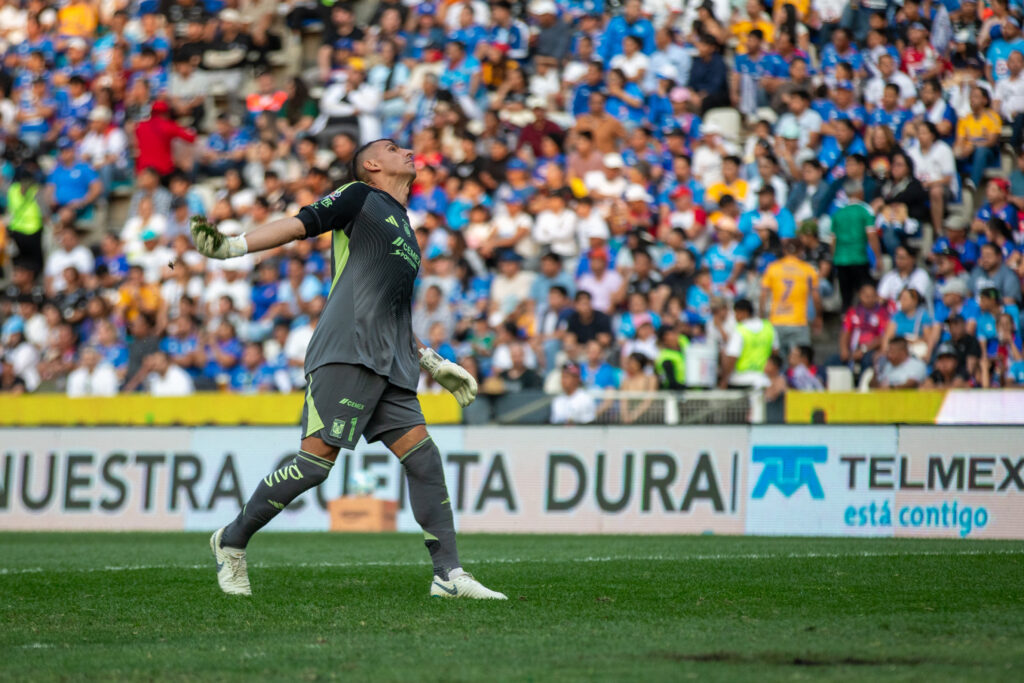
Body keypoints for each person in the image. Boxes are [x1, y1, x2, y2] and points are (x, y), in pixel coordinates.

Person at [192, 138, 504, 600]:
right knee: (314, 466)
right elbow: (300, 224)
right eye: (393, 148)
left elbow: (392, 310)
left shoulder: (404, 225)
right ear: (372, 164)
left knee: (424, 458)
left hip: (391, 361)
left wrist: (432, 360)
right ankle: (231, 540)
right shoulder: (359, 196)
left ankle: (448, 575)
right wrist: (233, 246)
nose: (407, 151)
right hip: (346, 350)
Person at [759, 240, 823, 352]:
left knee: (777, 358)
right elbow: (816, 297)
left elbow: (763, 295)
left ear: (784, 250)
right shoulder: (808, 269)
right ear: (801, 251)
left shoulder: (773, 268)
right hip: (798, 321)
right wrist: (818, 317)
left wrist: (762, 315)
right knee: (799, 358)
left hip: (776, 320)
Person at [720, 298, 776, 389]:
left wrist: (724, 380)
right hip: (763, 380)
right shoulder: (768, 328)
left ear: (744, 312)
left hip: (741, 379)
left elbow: (732, 357)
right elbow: (775, 353)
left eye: (736, 313)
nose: (735, 317)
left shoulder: (740, 330)